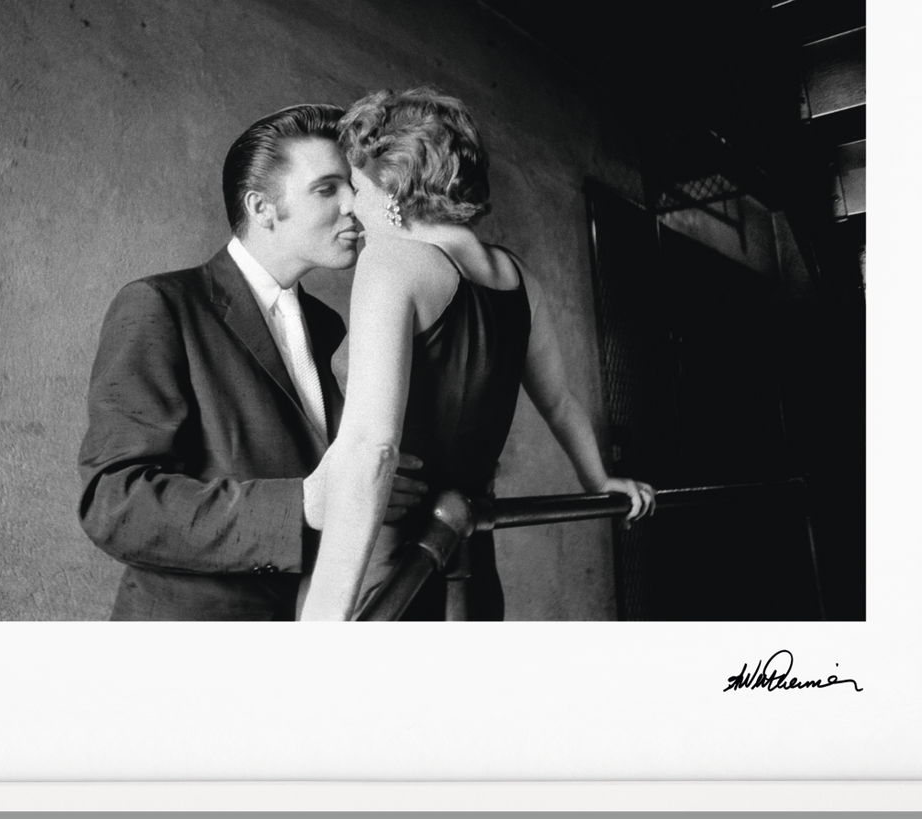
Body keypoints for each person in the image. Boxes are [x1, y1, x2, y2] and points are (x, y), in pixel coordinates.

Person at [298, 87, 657, 622]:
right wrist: (597, 481)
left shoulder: (392, 263)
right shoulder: (518, 276)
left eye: (355, 183)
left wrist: (326, 616)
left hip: (384, 560)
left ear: (390, 185)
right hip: (468, 553)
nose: (350, 203)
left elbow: (372, 446)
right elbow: (559, 402)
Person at [77, 103, 426, 620]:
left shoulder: (329, 325)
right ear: (262, 208)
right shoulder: (160, 305)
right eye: (327, 188)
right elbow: (115, 503)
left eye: (352, 185)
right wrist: (304, 504)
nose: (354, 204)